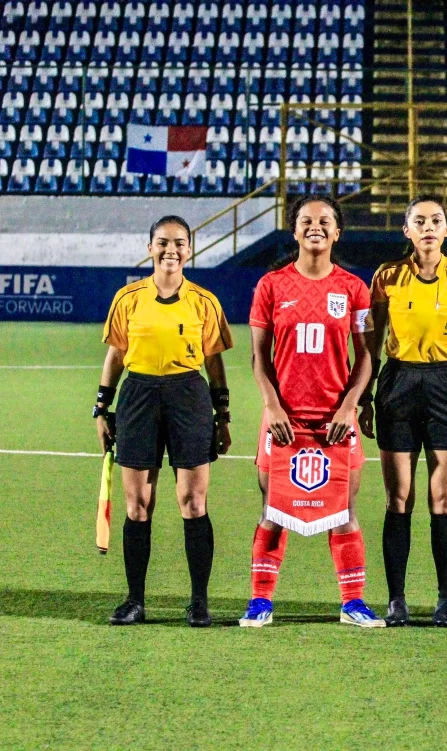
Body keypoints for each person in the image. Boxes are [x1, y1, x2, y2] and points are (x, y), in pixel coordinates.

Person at [239, 195, 384, 628]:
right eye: (306, 220)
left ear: (337, 232)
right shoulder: (270, 286)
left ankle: (353, 602)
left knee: (343, 511)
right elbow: (258, 359)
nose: (315, 227)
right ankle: (260, 602)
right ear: (295, 229)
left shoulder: (355, 289)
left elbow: (366, 358)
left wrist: (349, 406)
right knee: (273, 510)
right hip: (283, 420)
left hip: (337, 422)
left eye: (324, 221)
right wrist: (271, 406)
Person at [96, 215, 233, 627]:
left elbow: (214, 362)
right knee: (138, 505)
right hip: (138, 396)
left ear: (189, 249)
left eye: (178, 243)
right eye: (162, 242)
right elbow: (117, 354)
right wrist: (101, 408)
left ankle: (199, 602)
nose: (170, 250)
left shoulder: (204, 302)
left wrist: (222, 414)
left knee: (193, 503)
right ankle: (135, 601)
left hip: (188, 396)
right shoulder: (128, 298)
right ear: (150, 247)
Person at [361, 196, 447, 627]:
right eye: (420, 221)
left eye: (436, 220)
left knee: (443, 499)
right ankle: (396, 599)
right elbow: (370, 346)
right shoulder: (386, 277)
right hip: (397, 385)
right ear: (407, 231)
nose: (429, 227)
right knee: (399, 499)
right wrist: (364, 397)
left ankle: (445, 599)